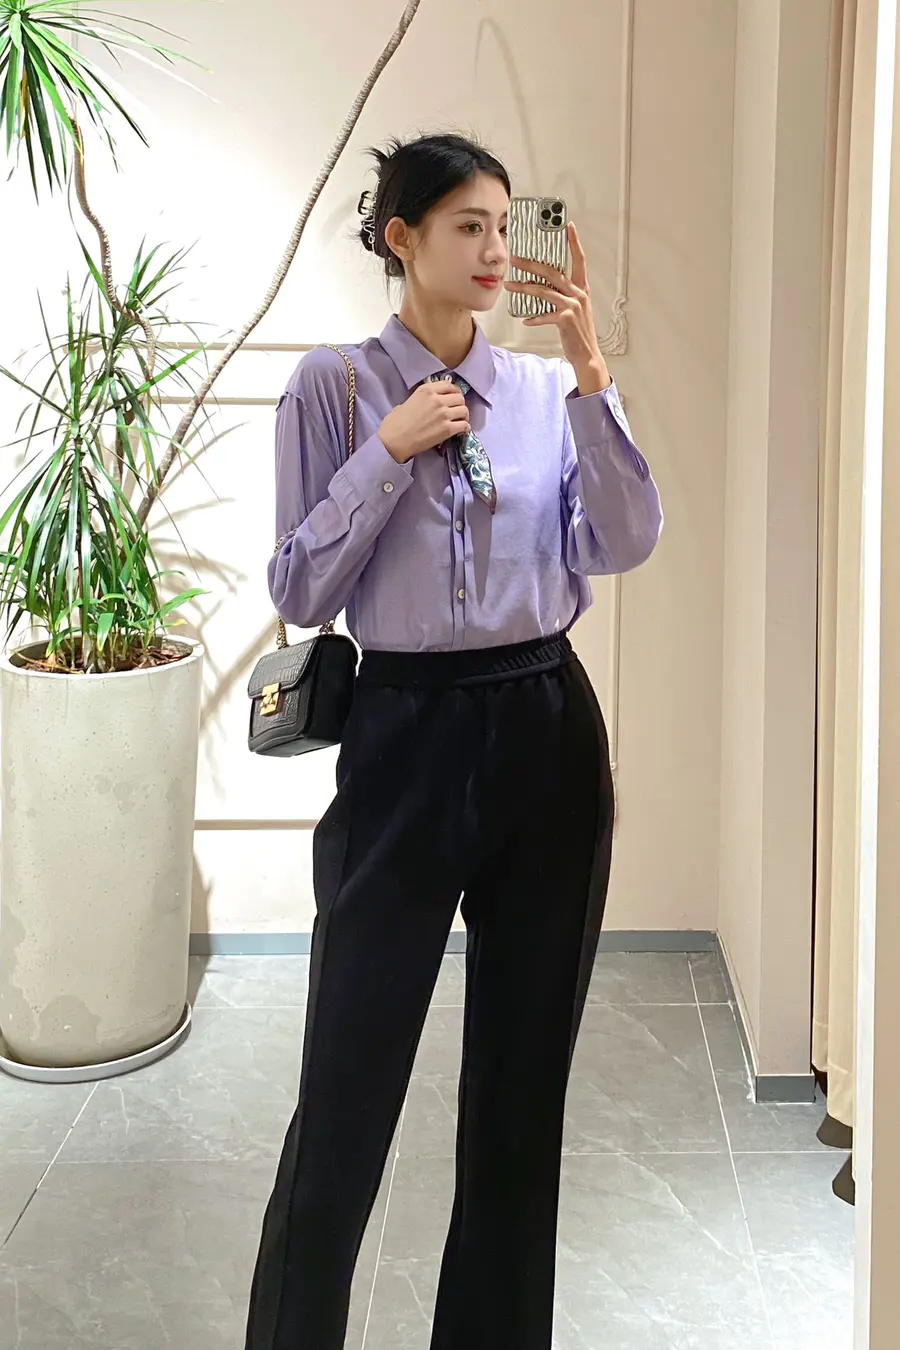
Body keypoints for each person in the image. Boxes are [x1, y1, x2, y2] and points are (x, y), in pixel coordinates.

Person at [245, 132, 662, 1350]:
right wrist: (388, 452)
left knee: (522, 1095)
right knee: (348, 1081)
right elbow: (300, 585)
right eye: (466, 226)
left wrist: (592, 376)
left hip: (544, 727)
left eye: (501, 226)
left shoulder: (540, 391)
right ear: (402, 238)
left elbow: (620, 543)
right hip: (404, 731)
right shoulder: (333, 386)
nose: (492, 251)